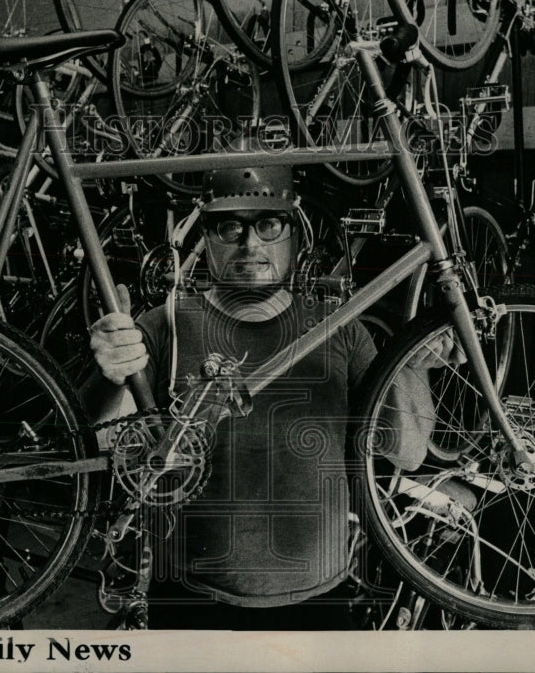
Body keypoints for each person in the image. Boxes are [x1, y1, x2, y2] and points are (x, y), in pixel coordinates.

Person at [87, 165, 463, 630]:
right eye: (230, 226)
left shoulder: (341, 328)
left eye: (268, 224)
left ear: (295, 232)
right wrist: (113, 372)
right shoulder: (166, 325)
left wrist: (412, 363)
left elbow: (406, 452)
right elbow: (102, 445)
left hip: (320, 601)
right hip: (189, 599)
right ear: (207, 235)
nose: (251, 244)